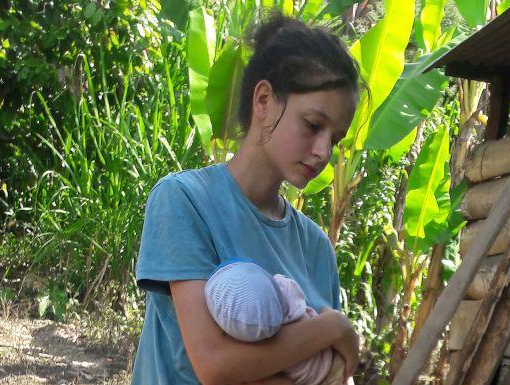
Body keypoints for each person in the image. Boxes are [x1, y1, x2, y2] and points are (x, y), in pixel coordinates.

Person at [131, 10, 362, 385]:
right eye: (313, 125)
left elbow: (330, 374)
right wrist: (335, 329)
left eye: (334, 139)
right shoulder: (184, 201)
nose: (323, 151)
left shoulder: (317, 247)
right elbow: (215, 365)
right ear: (264, 99)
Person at [204, 259, 333, 385]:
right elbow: (288, 286)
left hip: (312, 379)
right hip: (331, 358)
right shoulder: (287, 301)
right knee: (327, 311)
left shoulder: (250, 346)